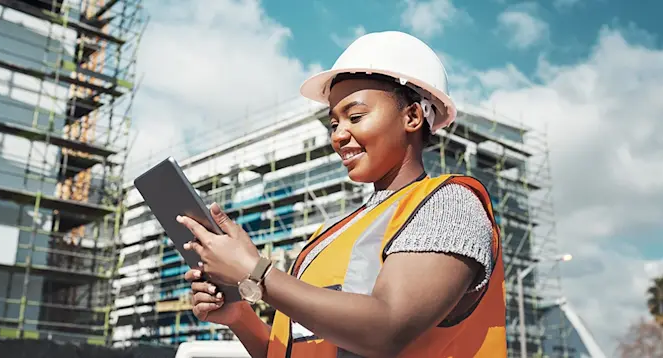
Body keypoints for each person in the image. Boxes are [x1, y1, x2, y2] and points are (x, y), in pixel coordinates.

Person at [178, 31, 507, 358]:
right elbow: (297, 350)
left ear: (412, 116)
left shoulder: (450, 203)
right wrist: (239, 316)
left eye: (356, 116)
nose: (338, 135)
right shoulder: (329, 237)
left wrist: (255, 272)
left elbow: (386, 330)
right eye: (333, 123)